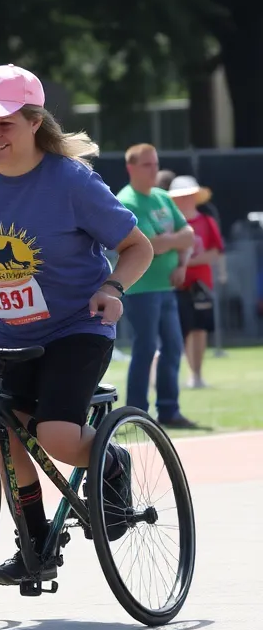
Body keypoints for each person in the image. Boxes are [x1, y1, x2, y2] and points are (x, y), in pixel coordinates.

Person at [0, 63, 155, 585]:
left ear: (34, 122)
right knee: (3, 434)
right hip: (5, 335)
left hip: (76, 326)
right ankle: (33, 545)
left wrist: (112, 287)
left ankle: (111, 462)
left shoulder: (71, 181)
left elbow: (137, 247)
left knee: (53, 434)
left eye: (4, 123)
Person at [116, 144, 198, 429]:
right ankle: (137, 412)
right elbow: (151, 245)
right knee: (146, 347)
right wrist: (174, 240)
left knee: (174, 346)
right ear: (132, 168)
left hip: (166, 286)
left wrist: (181, 264)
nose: (155, 170)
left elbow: (189, 233)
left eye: (155, 163)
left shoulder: (162, 197)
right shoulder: (127, 201)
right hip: (141, 288)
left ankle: (169, 410)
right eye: (147, 165)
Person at [166, 176, 223, 388]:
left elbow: (215, 252)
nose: (186, 200)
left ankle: (196, 374)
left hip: (200, 286)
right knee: (179, 330)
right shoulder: (170, 224)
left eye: (190, 196)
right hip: (174, 284)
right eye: (181, 197)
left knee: (199, 329)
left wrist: (186, 262)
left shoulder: (207, 222)